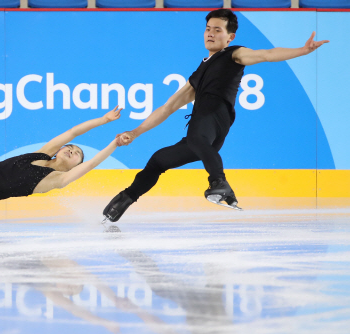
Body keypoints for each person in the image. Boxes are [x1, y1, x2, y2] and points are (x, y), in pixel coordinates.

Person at [102, 9, 329, 222]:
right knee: (158, 160)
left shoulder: (234, 54)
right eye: (208, 28)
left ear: (230, 37)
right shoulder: (199, 72)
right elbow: (167, 107)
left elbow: (266, 54)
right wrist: (135, 132)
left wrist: (302, 50)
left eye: (217, 30)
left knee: (195, 138)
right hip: (205, 133)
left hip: (214, 117)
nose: (210, 33)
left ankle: (219, 183)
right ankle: (125, 199)